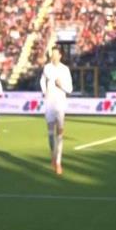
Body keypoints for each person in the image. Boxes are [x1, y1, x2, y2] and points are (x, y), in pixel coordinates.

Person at [40, 46, 73, 175]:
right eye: (52, 54)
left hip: (60, 103)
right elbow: (42, 80)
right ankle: (53, 156)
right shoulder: (47, 68)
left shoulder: (65, 70)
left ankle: (58, 162)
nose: (53, 57)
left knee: (59, 132)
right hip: (49, 103)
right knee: (50, 133)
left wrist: (61, 85)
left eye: (55, 54)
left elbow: (70, 89)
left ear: (60, 55)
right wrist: (44, 91)